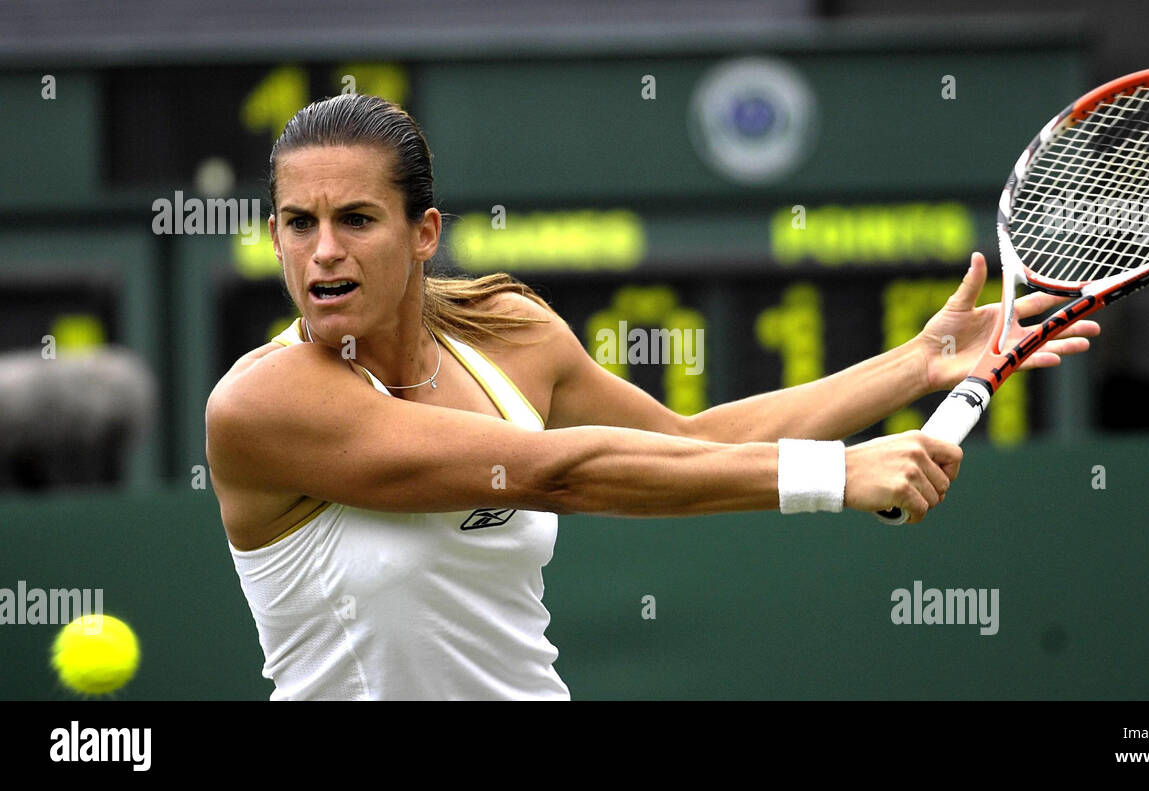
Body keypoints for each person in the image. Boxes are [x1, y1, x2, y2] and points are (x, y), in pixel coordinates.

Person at [205, 94, 1098, 700]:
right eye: (298, 222)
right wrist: (837, 473)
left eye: (356, 219)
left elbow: (690, 438)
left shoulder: (508, 335)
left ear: (423, 231)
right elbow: (554, 473)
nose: (322, 251)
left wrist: (914, 363)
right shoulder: (263, 404)